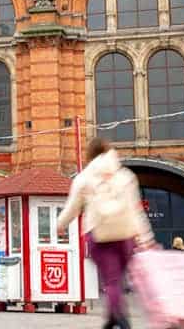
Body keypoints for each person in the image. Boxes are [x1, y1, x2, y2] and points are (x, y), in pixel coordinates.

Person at [57, 138, 154, 329]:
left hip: (100, 234)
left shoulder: (84, 178)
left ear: (90, 155)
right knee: (117, 279)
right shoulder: (125, 176)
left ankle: (121, 318)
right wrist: (146, 238)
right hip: (126, 235)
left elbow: (72, 208)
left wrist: (60, 225)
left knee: (111, 280)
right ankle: (111, 318)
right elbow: (136, 210)